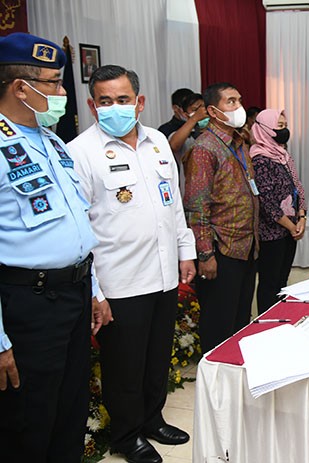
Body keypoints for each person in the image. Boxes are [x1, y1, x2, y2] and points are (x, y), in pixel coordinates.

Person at [68, 65, 196, 463]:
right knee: (123, 366)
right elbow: (79, 229)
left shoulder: (158, 142)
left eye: (122, 100)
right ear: (92, 105)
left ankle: (152, 419)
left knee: (157, 356)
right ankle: (126, 436)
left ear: (139, 102)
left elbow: (172, 202)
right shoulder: (80, 152)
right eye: (105, 101)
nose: (114, 108)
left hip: (162, 274)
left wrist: (185, 249)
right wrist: (96, 292)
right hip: (118, 281)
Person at [0, 32, 103, 462]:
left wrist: (93, 289)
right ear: (21, 88)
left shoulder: (53, 142)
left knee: (69, 409)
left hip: (74, 295)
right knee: (30, 418)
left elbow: (76, 224)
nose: (63, 94)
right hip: (29, 303)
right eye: (55, 83)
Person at [184, 82, 259, 354]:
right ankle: (215, 385)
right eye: (231, 102)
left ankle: (235, 380)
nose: (238, 106)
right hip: (221, 249)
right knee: (219, 325)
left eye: (239, 100)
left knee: (240, 321)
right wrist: (205, 255)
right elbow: (197, 206)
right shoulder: (205, 148)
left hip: (246, 246)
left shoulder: (239, 142)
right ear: (214, 112)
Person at [250, 108, 306, 313]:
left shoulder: (283, 154)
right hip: (271, 233)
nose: (284, 131)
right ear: (265, 129)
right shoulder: (260, 159)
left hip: (290, 228)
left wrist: (302, 217)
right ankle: (266, 320)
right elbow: (266, 202)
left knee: (282, 279)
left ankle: (280, 316)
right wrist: (292, 226)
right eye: (279, 126)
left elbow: (297, 186)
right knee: (269, 282)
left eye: (285, 126)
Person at [168, 92, 208, 195]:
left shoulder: (217, 134)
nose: (202, 113)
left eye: (204, 108)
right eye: (196, 110)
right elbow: (173, 146)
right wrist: (194, 119)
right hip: (191, 195)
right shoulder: (183, 136)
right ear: (186, 115)